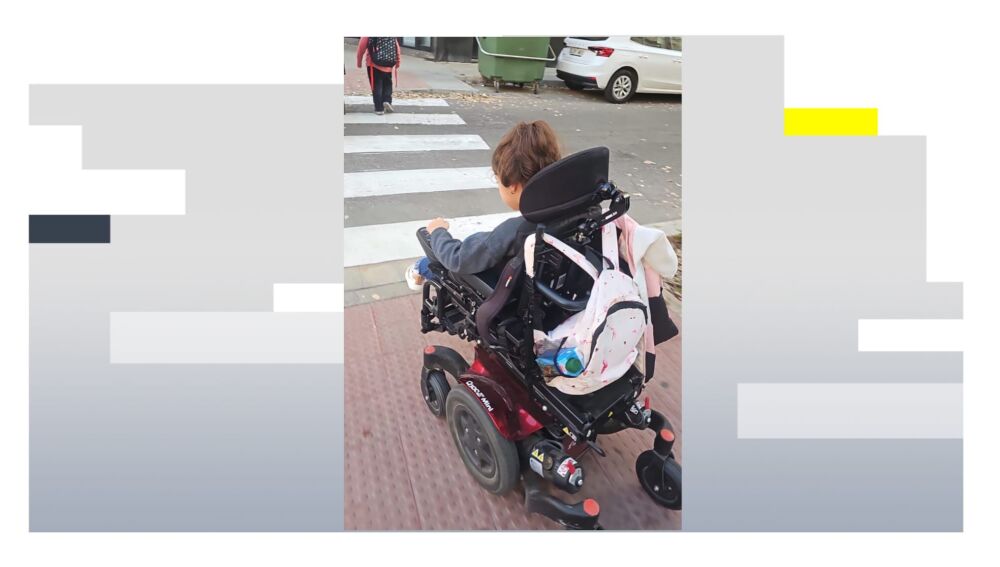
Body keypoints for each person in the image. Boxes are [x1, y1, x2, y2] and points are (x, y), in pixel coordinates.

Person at [405, 121, 563, 290]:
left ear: (512, 186)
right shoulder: (568, 212)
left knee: (434, 261)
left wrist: (438, 232)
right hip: (544, 282)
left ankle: (419, 269)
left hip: (499, 286)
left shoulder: (515, 231)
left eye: (497, 179)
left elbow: (457, 259)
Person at [356, 37, 401, 115]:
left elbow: (361, 47)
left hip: (373, 65)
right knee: (388, 84)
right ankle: (387, 100)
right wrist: (398, 62)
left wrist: (359, 62)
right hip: (388, 64)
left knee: (376, 87)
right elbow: (397, 47)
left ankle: (379, 108)